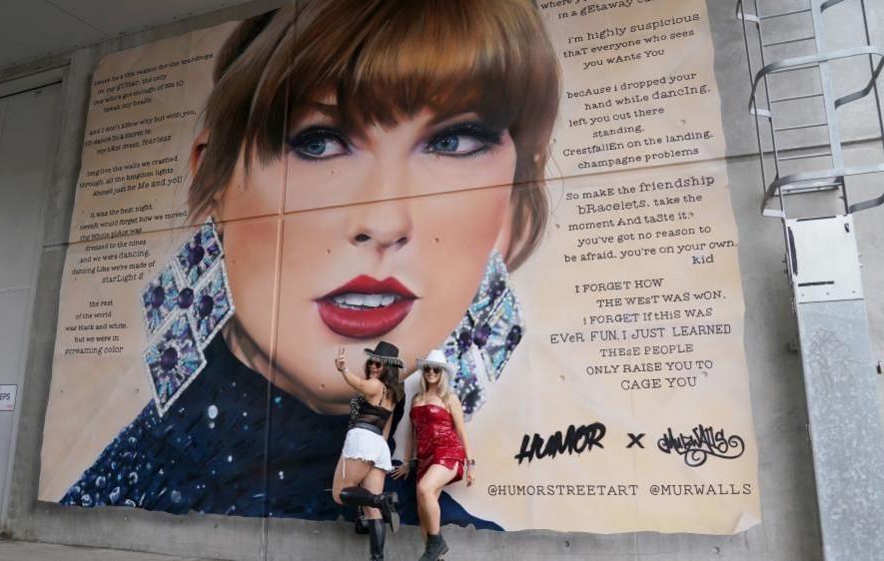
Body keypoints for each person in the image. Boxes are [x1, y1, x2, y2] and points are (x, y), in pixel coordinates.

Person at [61, 0, 559, 528]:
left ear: (513, 200)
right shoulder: (127, 488)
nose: (384, 220)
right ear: (215, 183)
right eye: (319, 142)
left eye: (451, 141)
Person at [393, 350, 473, 560]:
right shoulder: (417, 399)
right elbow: (412, 433)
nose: (430, 372)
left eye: (435, 368)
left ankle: (436, 542)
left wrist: (470, 465)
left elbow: (461, 431)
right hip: (424, 457)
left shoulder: (450, 398)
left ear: (442, 372)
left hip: (448, 451)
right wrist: (408, 462)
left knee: (424, 488)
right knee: (423, 513)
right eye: (427, 368)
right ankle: (435, 556)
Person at [331, 342, 403, 561]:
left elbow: (359, 384)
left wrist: (343, 369)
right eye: (371, 361)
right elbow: (387, 428)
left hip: (362, 438)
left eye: (378, 363)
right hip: (379, 444)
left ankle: (383, 498)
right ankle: (377, 558)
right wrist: (377, 448)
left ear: (388, 368)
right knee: (372, 510)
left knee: (340, 493)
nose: (373, 365)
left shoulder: (375, 385)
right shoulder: (393, 393)